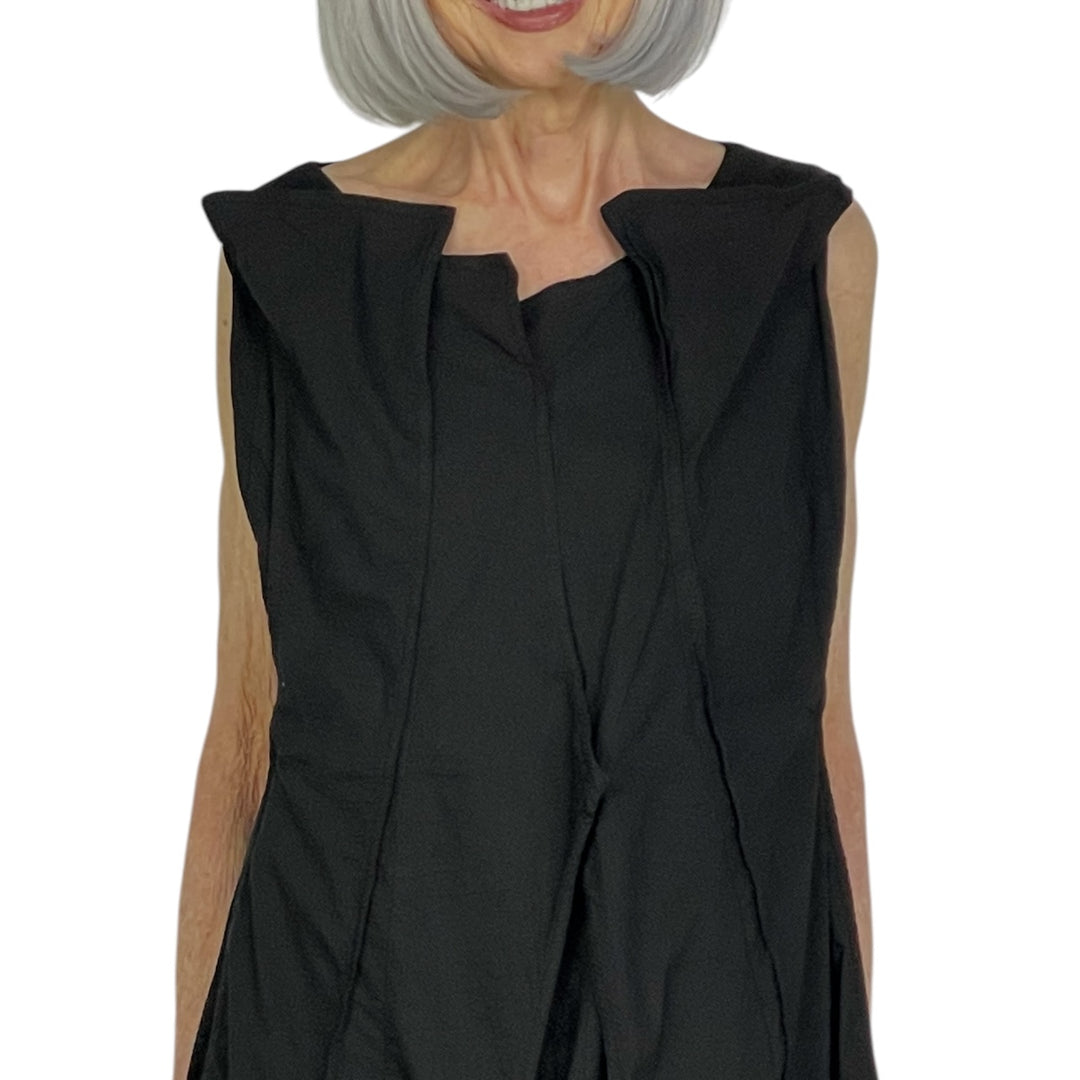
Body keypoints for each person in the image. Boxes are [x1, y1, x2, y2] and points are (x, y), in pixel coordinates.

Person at [175, 1, 879, 1077]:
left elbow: (811, 724)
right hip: (349, 1031)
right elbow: (249, 726)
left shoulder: (801, 251)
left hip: (716, 1024)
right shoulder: (293, 265)